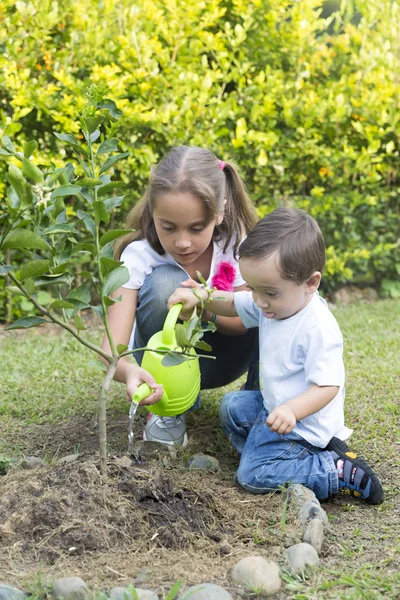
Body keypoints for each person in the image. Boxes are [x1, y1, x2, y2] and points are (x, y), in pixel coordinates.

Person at [168, 207, 384, 504]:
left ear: (311, 282)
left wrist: (293, 411)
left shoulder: (317, 327)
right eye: (255, 289)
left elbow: (328, 387)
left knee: (251, 475)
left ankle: (332, 470)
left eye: (269, 292)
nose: (258, 301)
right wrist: (203, 296)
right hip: (277, 406)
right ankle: (276, 458)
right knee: (232, 406)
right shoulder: (274, 302)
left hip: (306, 428)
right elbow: (233, 302)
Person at [101, 145, 258, 446]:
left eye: (197, 228)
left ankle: (261, 402)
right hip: (162, 364)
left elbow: (246, 319)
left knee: (271, 299)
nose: (183, 242)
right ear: (153, 212)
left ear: (220, 212)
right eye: (168, 227)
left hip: (223, 358)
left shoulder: (235, 246)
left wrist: (204, 306)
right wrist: (129, 372)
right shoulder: (138, 257)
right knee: (165, 284)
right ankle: (169, 405)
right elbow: (112, 350)